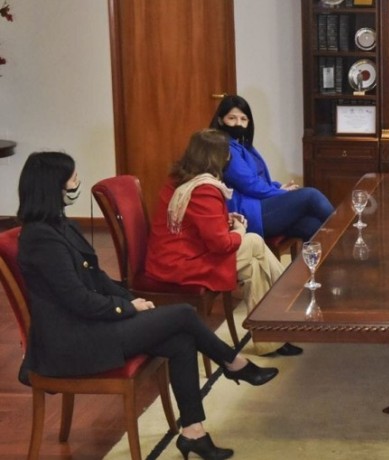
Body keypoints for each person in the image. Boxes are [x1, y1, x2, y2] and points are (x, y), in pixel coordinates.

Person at [16, 151, 279, 460]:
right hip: (73, 342)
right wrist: (128, 309)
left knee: (181, 340)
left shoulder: (59, 225)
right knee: (183, 314)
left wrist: (131, 300)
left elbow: (97, 278)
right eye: (72, 179)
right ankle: (234, 363)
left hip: (91, 326)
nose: (76, 184)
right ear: (53, 186)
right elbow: (78, 300)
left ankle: (193, 432)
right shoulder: (40, 240)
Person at [146, 129, 303, 357]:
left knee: (254, 266)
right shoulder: (204, 189)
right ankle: (292, 295)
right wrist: (239, 230)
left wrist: (225, 219)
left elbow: (194, 223)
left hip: (171, 256)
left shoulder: (180, 179)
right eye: (227, 154)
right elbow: (220, 244)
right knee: (253, 241)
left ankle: (272, 337)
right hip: (182, 264)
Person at [209, 94, 334, 241]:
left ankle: (342, 253)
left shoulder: (243, 146)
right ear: (220, 120)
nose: (238, 123)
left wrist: (278, 186)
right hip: (247, 214)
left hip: (260, 206)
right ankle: (350, 232)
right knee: (311, 195)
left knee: (312, 226)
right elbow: (250, 184)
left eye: (243, 119)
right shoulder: (224, 148)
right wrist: (280, 192)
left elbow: (259, 178)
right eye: (232, 118)